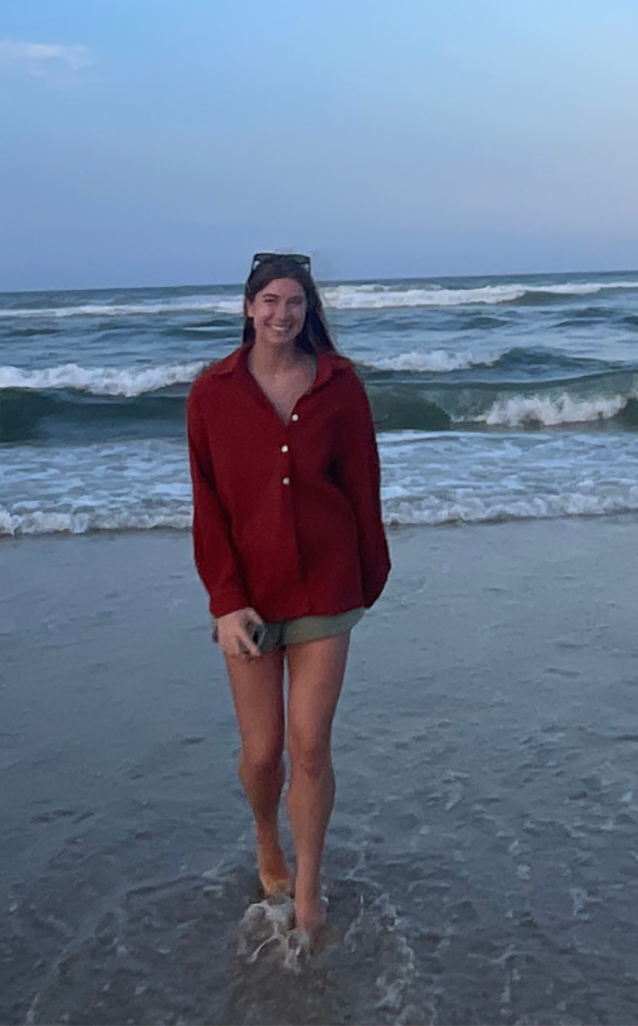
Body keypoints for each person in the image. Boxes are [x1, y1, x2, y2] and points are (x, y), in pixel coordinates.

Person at [186, 252, 390, 944]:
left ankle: (308, 892)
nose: (282, 314)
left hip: (326, 586)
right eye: (269, 301)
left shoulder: (340, 387)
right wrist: (224, 599)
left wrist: (368, 578)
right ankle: (265, 839)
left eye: (294, 302)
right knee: (264, 751)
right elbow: (207, 505)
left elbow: (364, 488)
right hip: (246, 595)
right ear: (248, 308)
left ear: (309, 310)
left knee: (310, 745)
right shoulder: (212, 392)